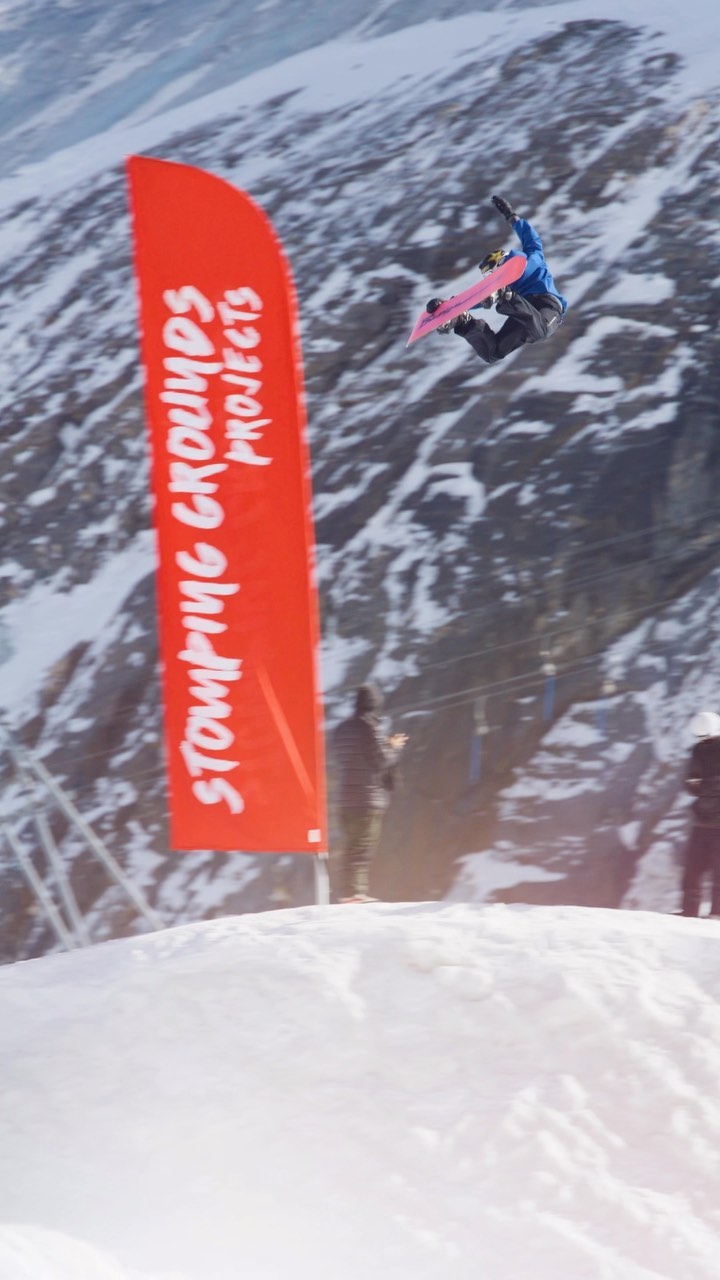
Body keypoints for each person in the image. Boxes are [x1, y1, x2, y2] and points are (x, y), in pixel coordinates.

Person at [427, 194, 568, 364]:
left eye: (493, 273)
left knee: (542, 330)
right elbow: (475, 298)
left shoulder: (532, 259)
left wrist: (511, 216)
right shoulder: (529, 258)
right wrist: (449, 308)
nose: (493, 277)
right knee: (492, 352)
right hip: (523, 311)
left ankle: (505, 296)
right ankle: (464, 322)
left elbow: (531, 239)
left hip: (547, 305)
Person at [333, 683, 407, 902]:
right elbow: (380, 760)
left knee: (351, 845)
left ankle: (350, 892)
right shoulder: (368, 727)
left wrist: (384, 744)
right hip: (366, 799)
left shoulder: (341, 729)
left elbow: (351, 757)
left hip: (344, 800)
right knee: (362, 847)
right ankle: (354, 893)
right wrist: (392, 746)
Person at [680, 710, 720, 917]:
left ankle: (717, 915)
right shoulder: (698, 750)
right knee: (692, 873)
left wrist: (703, 787)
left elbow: (700, 785)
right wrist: (701, 786)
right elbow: (692, 783)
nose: (704, 742)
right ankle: (689, 913)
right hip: (702, 822)